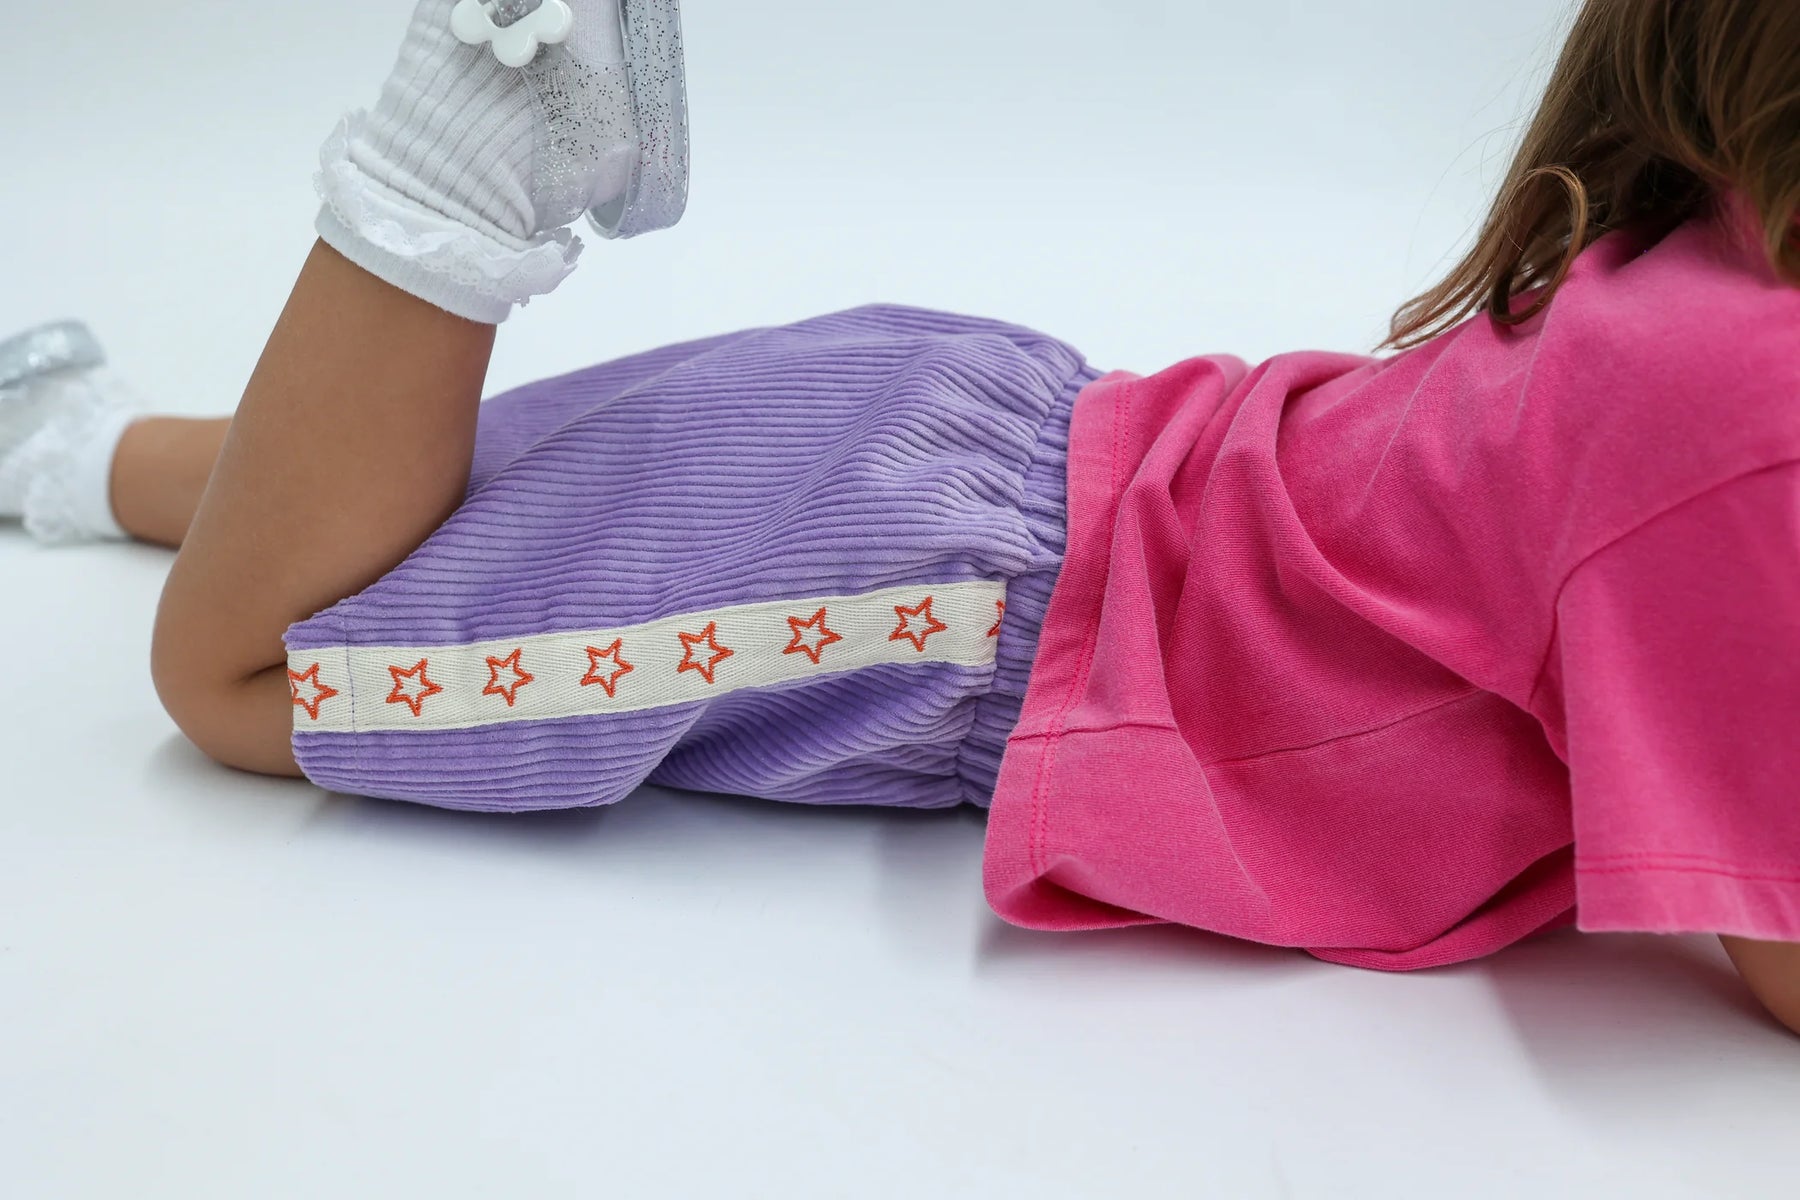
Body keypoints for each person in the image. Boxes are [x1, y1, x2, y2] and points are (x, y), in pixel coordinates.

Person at [2, 0, 1796, 1034]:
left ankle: (58, 445)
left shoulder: (1713, 267)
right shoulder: (1746, 400)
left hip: (961, 443)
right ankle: (466, 132)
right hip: (916, 602)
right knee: (239, 677)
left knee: (420, 520)